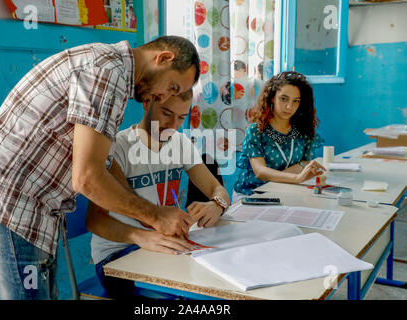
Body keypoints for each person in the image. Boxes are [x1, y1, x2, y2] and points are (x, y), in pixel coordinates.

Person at [0, 35, 200, 300]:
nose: (162, 96)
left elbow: (103, 163)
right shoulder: (106, 72)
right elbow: (87, 178)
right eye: (172, 87)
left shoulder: (111, 71)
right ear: (163, 58)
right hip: (9, 205)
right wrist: (155, 217)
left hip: (30, 209)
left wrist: (150, 218)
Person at [87, 90, 230, 299]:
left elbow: (218, 190)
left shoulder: (179, 142)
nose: (173, 125)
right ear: (146, 103)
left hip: (167, 247)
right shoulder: (118, 147)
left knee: (216, 279)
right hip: (117, 256)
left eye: (181, 117)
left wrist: (216, 205)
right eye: (166, 113)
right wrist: (141, 237)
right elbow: (94, 220)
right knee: (177, 293)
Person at [233, 71, 325, 203]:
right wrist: (296, 177)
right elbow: (260, 171)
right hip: (252, 194)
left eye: (296, 101)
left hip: (285, 190)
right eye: (283, 99)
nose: (289, 106)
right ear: (272, 97)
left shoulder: (302, 131)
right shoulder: (256, 131)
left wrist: (285, 174)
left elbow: (306, 163)